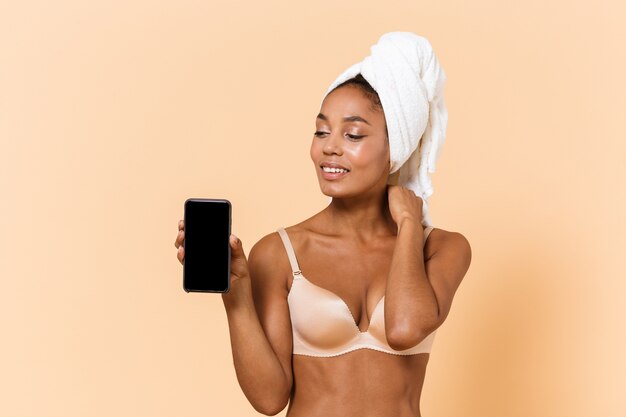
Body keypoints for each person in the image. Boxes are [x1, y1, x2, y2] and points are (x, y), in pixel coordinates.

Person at [174, 33, 471, 417]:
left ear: (396, 147)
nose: (330, 147)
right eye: (321, 131)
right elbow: (270, 398)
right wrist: (237, 298)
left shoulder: (441, 248)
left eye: (353, 134)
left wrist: (410, 223)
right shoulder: (280, 252)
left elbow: (403, 329)